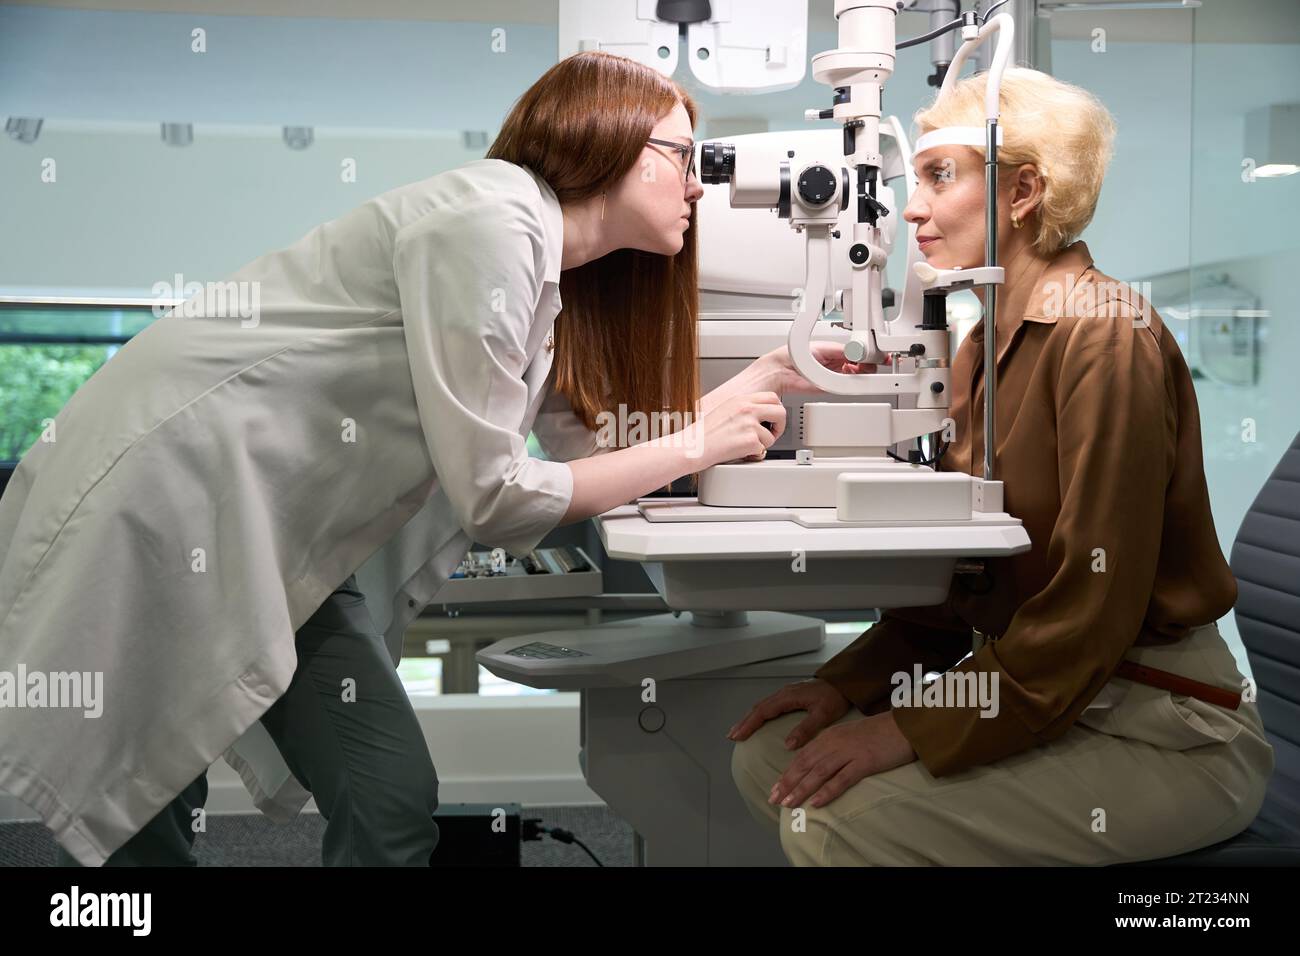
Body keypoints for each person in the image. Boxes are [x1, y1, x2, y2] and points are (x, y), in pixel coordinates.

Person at [0, 50, 861, 866]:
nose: (700, 186)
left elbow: (585, 451)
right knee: (148, 790)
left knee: (388, 796)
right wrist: (696, 440)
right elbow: (501, 501)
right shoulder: (492, 222)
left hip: (279, 540)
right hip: (172, 497)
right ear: (610, 141)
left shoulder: (546, 266)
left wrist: (742, 393)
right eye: (684, 154)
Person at [728, 67, 1275, 866]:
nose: (910, 207)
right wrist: (854, 684)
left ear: (1022, 192)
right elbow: (972, 579)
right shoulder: (986, 343)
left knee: (843, 820)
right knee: (768, 759)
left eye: (937, 177)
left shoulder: (1104, 334)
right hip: (1046, 690)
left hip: (1162, 721)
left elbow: (1094, 603)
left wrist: (910, 726)